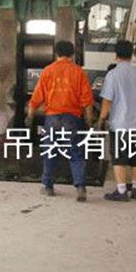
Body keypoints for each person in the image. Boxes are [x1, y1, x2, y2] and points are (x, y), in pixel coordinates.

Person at [26, 40, 94, 201]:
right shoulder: (79, 72)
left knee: (50, 151)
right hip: (73, 118)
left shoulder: (48, 71)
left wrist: (30, 115)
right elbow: (87, 99)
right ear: (73, 54)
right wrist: (89, 119)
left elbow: (37, 96)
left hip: (53, 118)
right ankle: (80, 186)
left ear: (55, 53)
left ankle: (48, 186)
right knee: (76, 152)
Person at [98, 40, 136, 202]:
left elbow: (107, 101)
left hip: (120, 123)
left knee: (119, 157)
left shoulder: (113, 75)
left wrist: (101, 119)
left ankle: (121, 190)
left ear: (115, 55)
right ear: (132, 54)